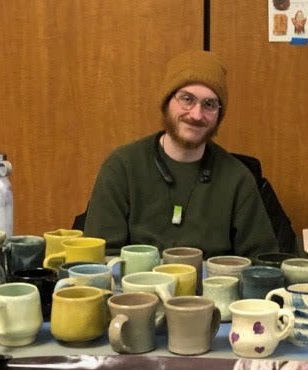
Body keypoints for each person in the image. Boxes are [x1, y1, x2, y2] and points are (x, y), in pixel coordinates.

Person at [83, 50, 278, 258]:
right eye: (187, 99)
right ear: (167, 102)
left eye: (209, 104)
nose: (196, 114)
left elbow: (262, 264)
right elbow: (99, 260)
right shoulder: (122, 167)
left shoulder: (238, 179)